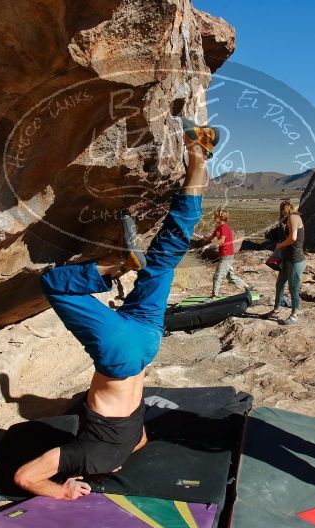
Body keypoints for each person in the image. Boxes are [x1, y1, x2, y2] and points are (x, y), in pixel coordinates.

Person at [12, 120, 219, 500]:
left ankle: (196, 160)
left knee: (166, 259)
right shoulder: (86, 456)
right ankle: (115, 266)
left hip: (146, 343)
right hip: (121, 353)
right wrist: (64, 491)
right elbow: (26, 477)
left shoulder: (128, 443)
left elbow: (139, 440)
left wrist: (118, 460)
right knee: (54, 286)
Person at [264, 200, 306, 325]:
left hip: (295, 259)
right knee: (279, 284)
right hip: (288, 259)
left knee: (293, 288)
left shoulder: (293, 217)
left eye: (282, 210)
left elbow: (293, 238)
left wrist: (279, 245)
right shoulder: (291, 218)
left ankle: (294, 314)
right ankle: (276, 310)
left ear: (284, 210)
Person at [201, 208, 251, 299]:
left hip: (227, 255)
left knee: (218, 276)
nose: (214, 218)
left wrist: (208, 246)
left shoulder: (225, 228)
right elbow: (210, 238)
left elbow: (221, 241)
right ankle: (247, 287)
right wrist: (201, 237)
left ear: (221, 218)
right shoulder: (218, 228)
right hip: (224, 255)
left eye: (216, 216)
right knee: (230, 276)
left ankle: (214, 296)